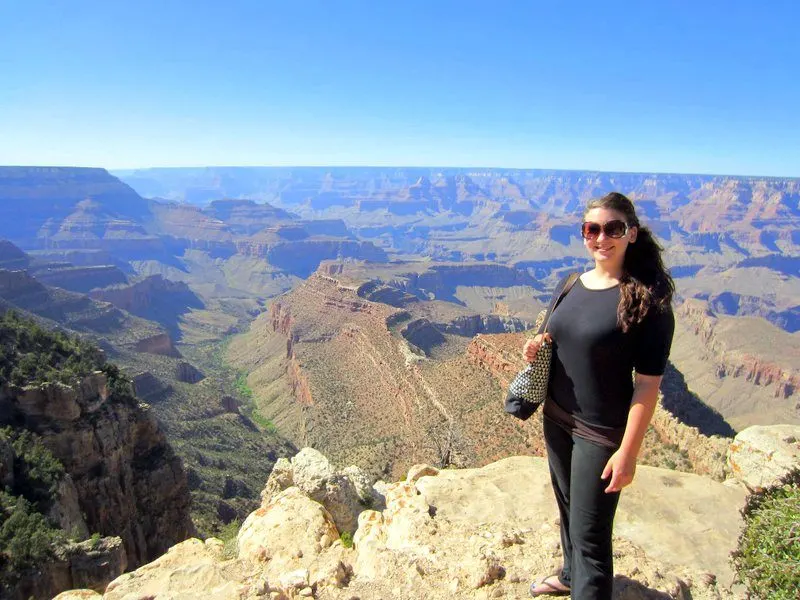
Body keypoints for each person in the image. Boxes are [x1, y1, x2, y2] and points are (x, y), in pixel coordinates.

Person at [524, 192, 675, 599]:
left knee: (591, 536)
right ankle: (570, 577)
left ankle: (585, 582)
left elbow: (647, 384)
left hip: (600, 432)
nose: (601, 238)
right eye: (592, 229)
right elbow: (560, 333)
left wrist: (628, 453)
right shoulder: (572, 283)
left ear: (632, 233)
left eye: (613, 228)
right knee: (569, 509)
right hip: (557, 417)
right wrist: (539, 344)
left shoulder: (647, 301)